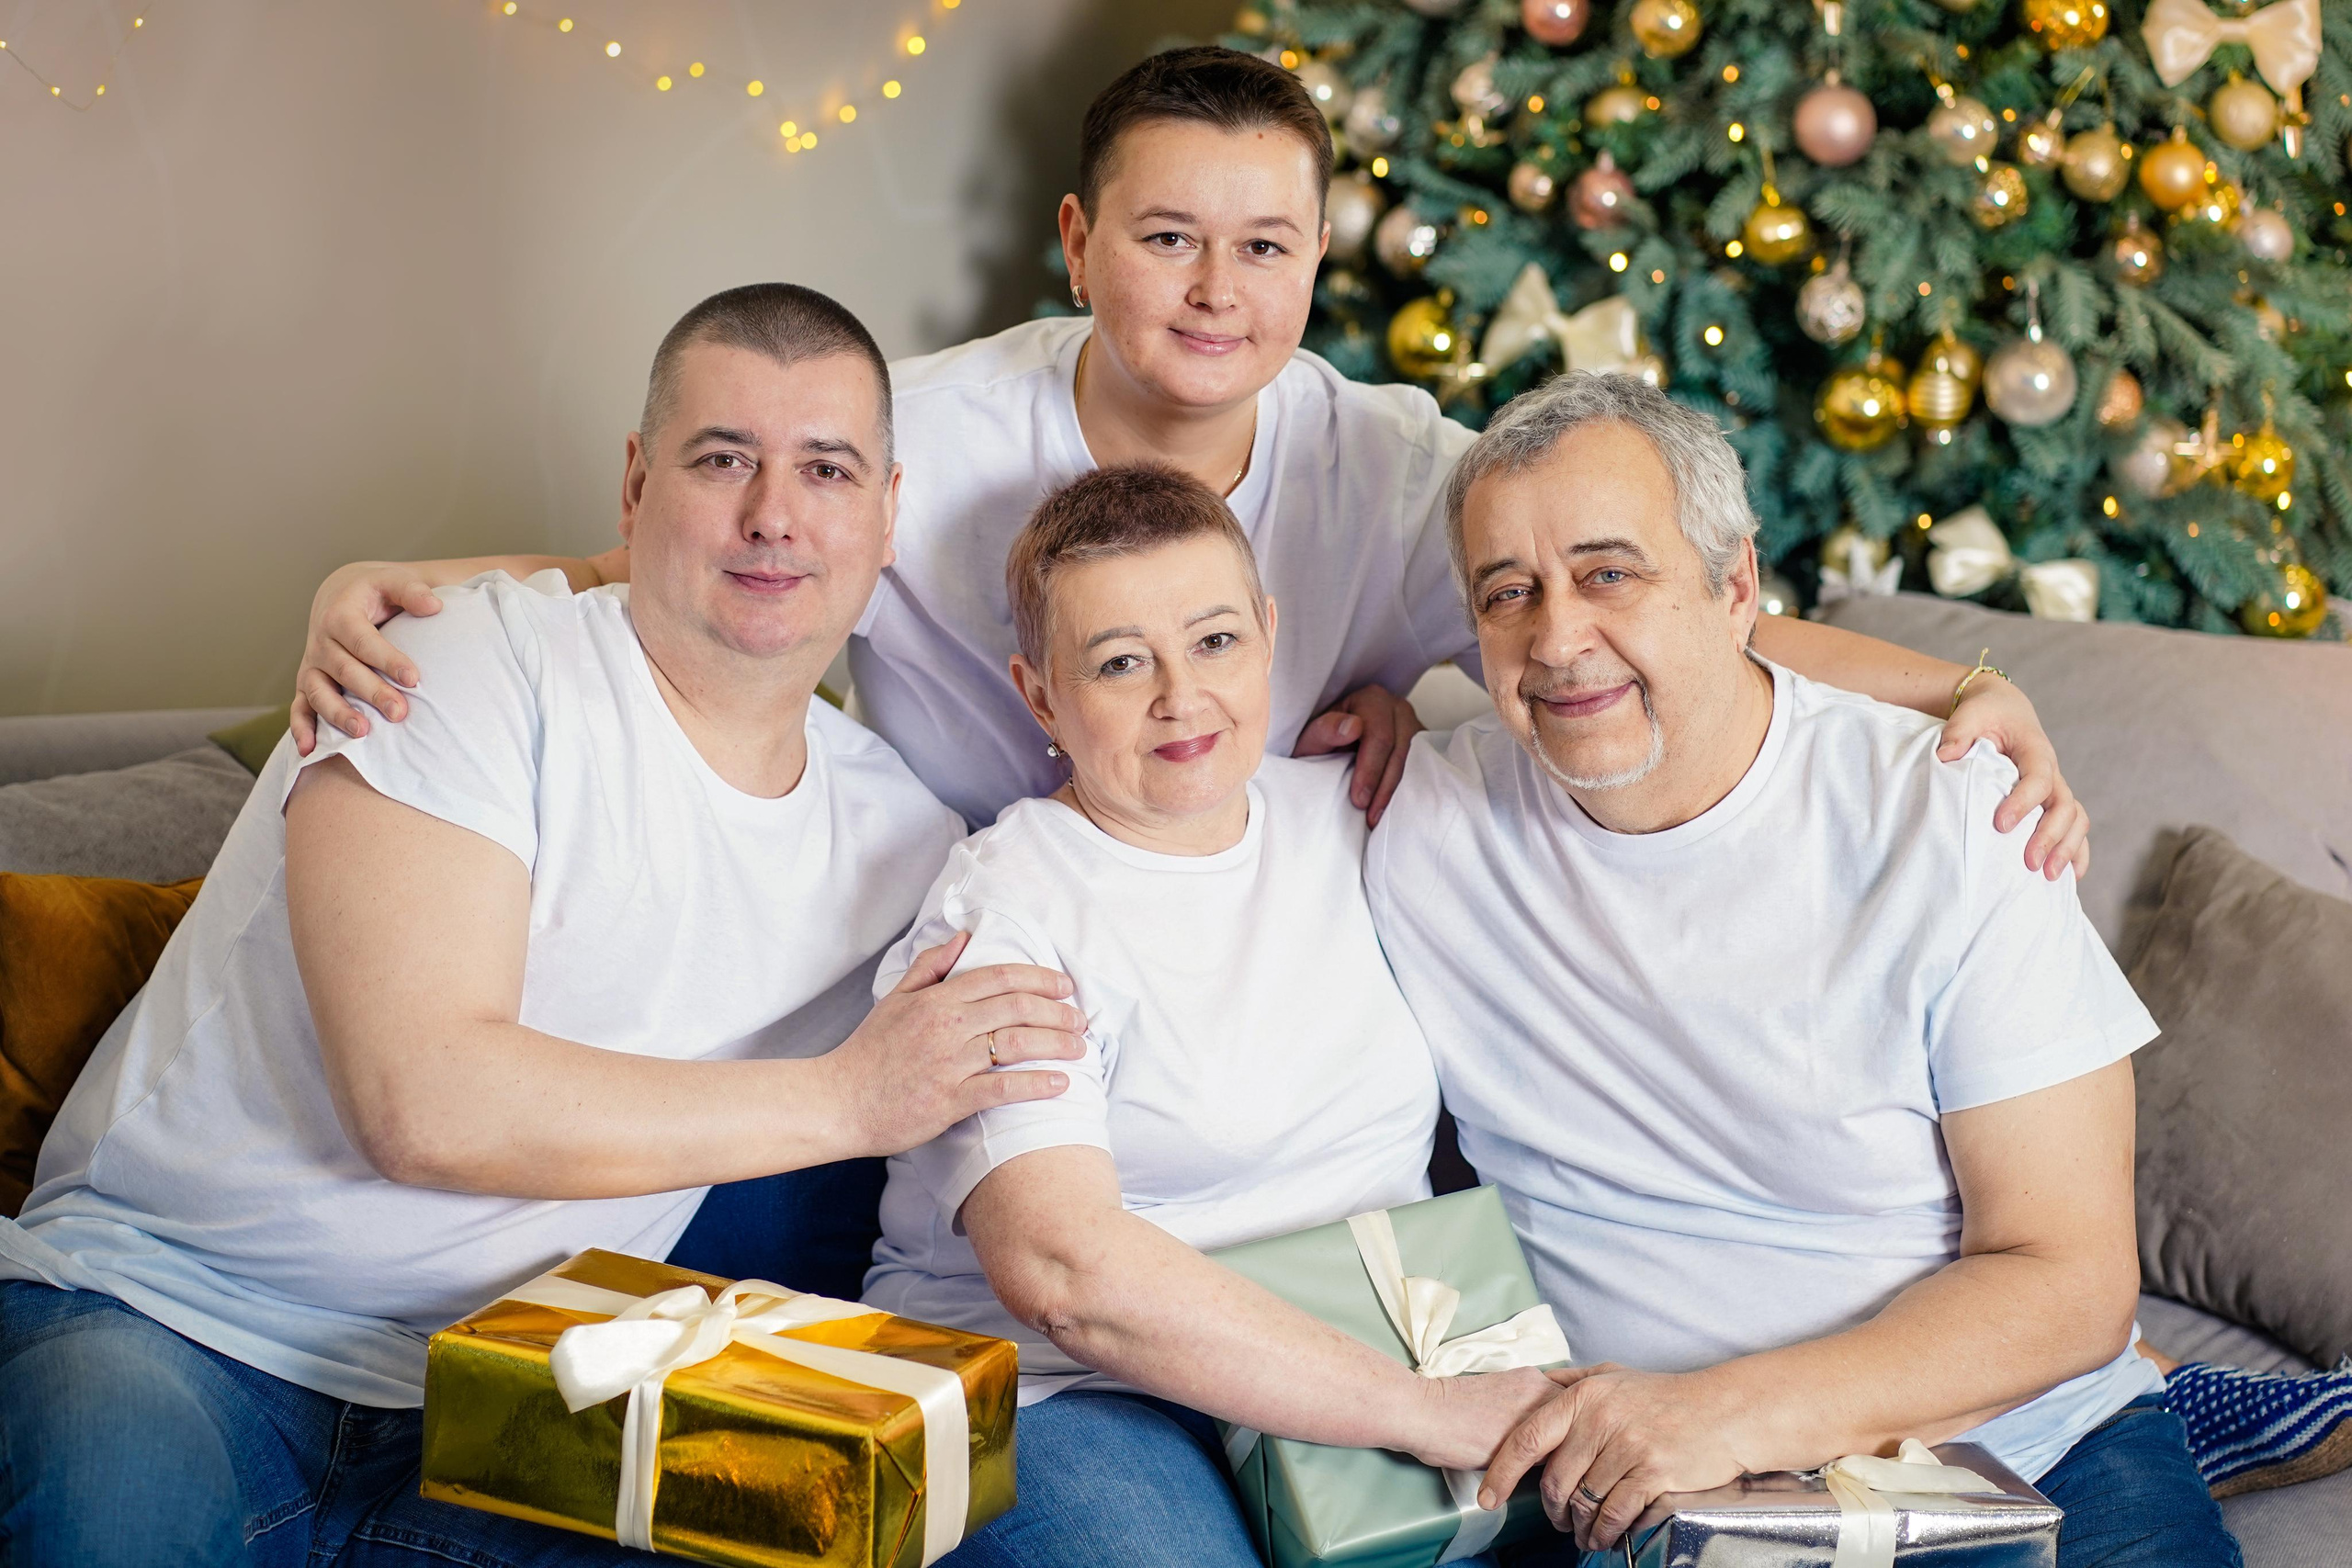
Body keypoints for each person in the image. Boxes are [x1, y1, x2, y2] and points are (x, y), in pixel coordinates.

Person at [283, 44, 2088, 877]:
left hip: (1262, 966)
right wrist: (410, 597)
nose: (1214, 292)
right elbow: (716, 557)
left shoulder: (1392, 464)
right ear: (1075, 243)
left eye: (1264, 246)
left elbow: (1660, 621)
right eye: (1163, 240)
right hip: (982, 938)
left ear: (1315, 258)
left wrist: (1956, 684)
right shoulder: (924, 424)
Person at [0, 285, 1091, 1568]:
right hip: (170, 1316)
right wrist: (853, 1097)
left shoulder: (904, 841)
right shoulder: (459, 664)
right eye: (722, 457)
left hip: (527, 1389)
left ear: (887, 512)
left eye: (826, 468)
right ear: (636, 484)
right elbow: (426, 1102)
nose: (774, 513)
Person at [1364, 373, 2239, 1566]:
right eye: (1507, 592)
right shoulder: (1413, 820)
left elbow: (2069, 1276)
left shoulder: (1957, 816)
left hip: (2016, 1449)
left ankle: (2206, 1408)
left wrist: (1717, 1413)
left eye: (1610, 572)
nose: (1558, 638)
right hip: (1637, 1489)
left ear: (1735, 588)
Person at [862, 463, 1558, 1568]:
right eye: (1119, 662)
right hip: (1077, 1393)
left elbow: (1620, 686)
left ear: (1270, 636)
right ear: (1038, 693)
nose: (1181, 697)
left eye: (1216, 642)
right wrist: (1420, 1415)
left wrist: (1936, 692)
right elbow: (1066, 1276)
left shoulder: (1363, 804)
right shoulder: (1001, 916)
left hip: (1389, 1329)